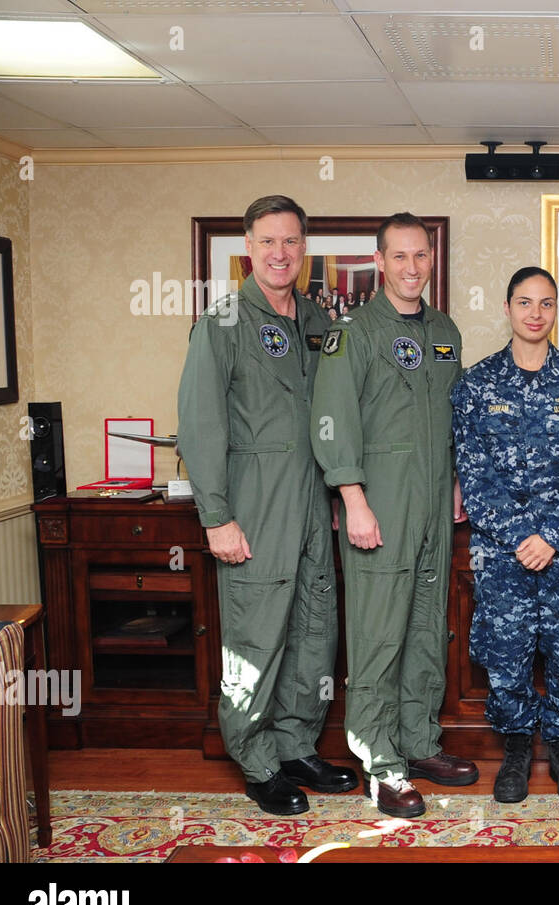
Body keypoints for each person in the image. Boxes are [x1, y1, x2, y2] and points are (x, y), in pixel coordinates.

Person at [177, 194, 356, 815]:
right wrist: (216, 518)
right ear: (249, 248)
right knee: (255, 635)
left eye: (291, 242)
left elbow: (336, 413)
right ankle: (255, 759)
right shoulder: (223, 323)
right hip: (254, 503)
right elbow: (200, 427)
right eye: (268, 242)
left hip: (313, 500)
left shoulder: (318, 320)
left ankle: (295, 743)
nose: (281, 253)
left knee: (313, 626)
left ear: (304, 249)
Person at [310, 212, 478, 818]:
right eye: (399, 256)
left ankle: (416, 741)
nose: (412, 267)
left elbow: (452, 418)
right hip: (378, 504)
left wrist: (457, 479)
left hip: (434, 505)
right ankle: (379, 763)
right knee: (379, 637)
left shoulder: (444, 331)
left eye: (421, 256)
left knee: (426, 629)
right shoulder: (353, 332)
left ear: (432, 261)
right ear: (379, 261)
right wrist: (352, 499)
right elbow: (330, 420)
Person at [452, 267, 559, 803]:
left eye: (546, 303)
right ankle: (517, 747)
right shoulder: (476, 384)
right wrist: (523, 535)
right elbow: (474, 474)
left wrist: (553, 536)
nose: (535, 313)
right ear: (507, 307)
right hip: (503, 552)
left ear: (556, 310)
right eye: (525, 302)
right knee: (506, 652)